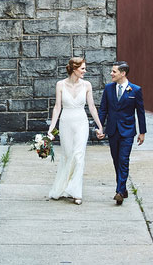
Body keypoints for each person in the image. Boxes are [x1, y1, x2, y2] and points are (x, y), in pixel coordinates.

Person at [47, 57, 104, 205]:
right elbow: (57, 107)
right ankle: (63, 187)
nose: (85, 71)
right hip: (66, 122)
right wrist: (51, 128)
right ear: (74, 68)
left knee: (79, 156)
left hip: (81, 122)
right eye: (82, 68)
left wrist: (100, 125)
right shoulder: (60, 84)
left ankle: (76, 192)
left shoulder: (87, 85)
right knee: (67, 155)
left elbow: (91, 107)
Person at [96, 61, 146, 205]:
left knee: (123, 160)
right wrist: (100, 128)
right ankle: (123, 189)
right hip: (112, 131)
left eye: (114, 72)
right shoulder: (108, 89)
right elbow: (103, 110)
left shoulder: (135, 90)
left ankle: (119, 191)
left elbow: (140, 112)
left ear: (122, 73)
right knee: (116, 160)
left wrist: (142, 132)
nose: (111, 74)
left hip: (128, 131)